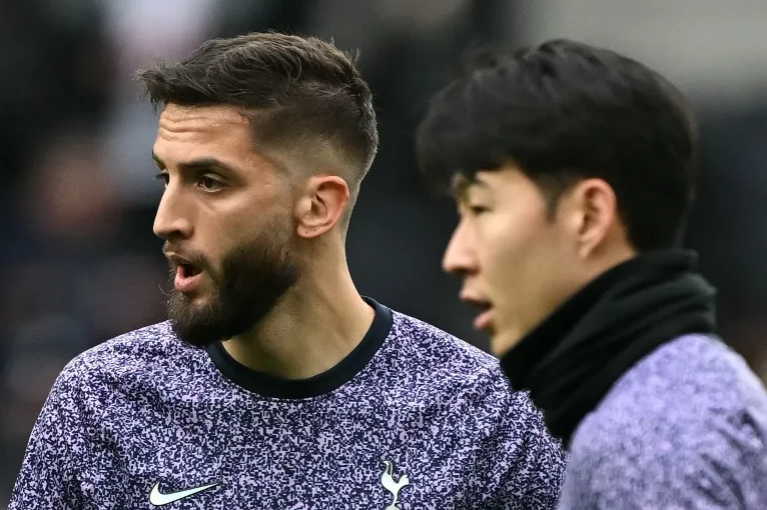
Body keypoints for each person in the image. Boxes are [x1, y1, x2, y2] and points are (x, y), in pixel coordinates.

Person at [9, 33, 566, 509]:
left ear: (318, 207)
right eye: (165, 179)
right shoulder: (102, 402)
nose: (165, 220)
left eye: (209, 181)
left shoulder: (485, 417)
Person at [416, 39, 767, 509]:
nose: (456, 256)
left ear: (588, 216)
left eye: (481, 208)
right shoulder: (679, 396)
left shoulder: (646, 440)